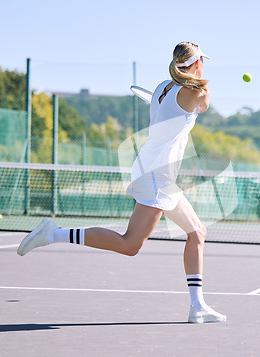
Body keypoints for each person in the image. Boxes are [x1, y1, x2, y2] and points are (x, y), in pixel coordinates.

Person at [17, 42, 226, 324]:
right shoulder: (198, 93)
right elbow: (203, 106)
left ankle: (197, 305)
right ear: (198, 63)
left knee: (196, 232)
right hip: (155, 176)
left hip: (158, 173)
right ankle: (52, 233)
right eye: (203, 61)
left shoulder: (165, 86)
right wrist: (200, 84)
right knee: (130, 245)